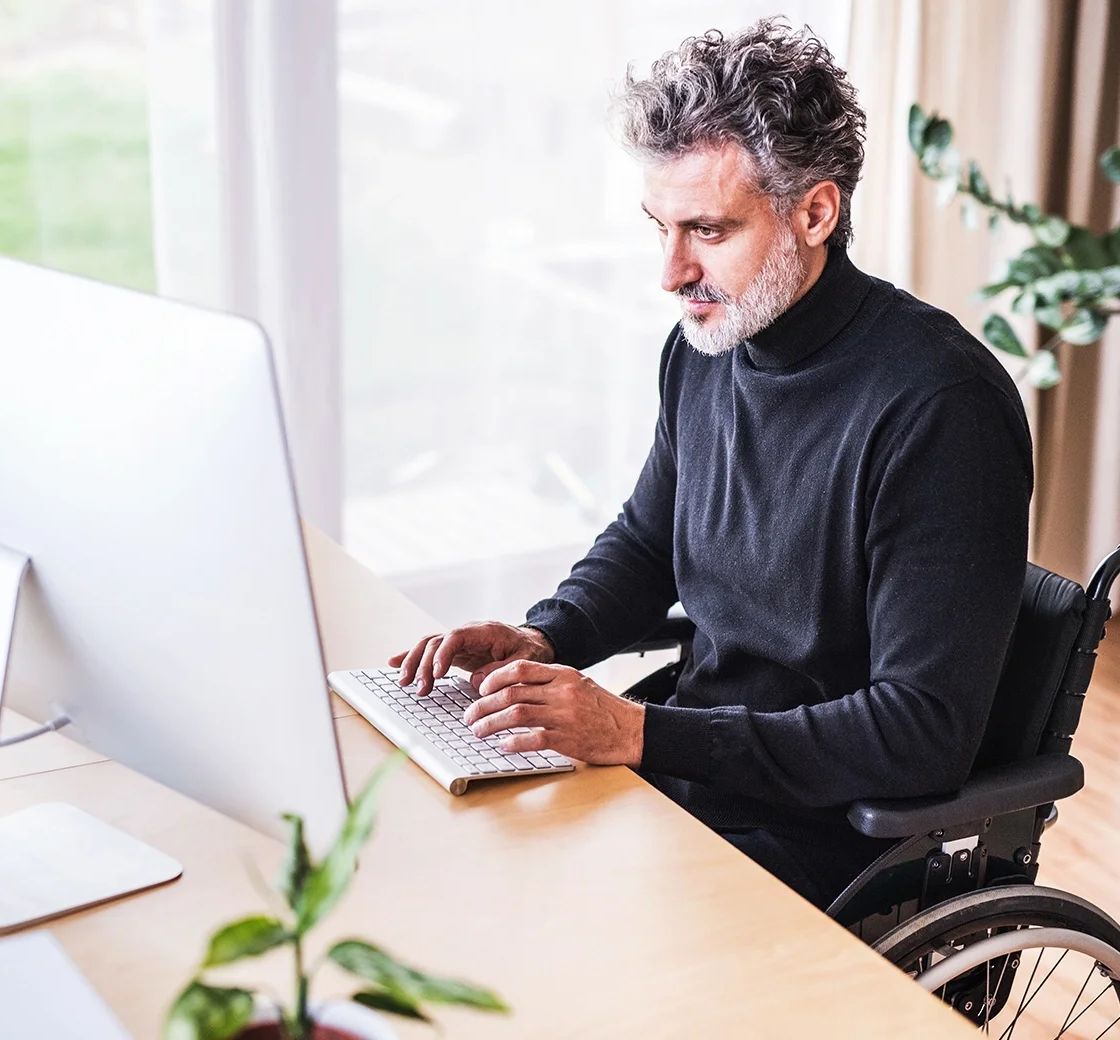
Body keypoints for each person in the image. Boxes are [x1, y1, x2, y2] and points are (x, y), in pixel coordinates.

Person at [390, 19, 1032, 910]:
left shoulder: (939, 408)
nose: (669, 270)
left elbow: (921, 732)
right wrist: (546, 638)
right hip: (697, 779)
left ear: (815, 212)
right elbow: (649, 544)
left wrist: (639, 733)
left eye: (706, 229)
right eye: (659, 225)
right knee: (447, 864)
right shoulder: (705, 348)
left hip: (829, 836)